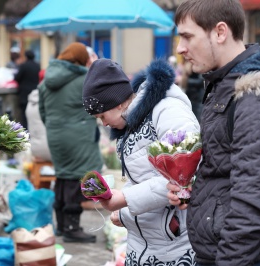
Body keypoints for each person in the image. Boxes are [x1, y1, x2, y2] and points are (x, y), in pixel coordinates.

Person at [166, 1, 260, 265]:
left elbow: (254, 199)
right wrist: (196, 191)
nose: (180, 48)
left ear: (220, 32)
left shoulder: (253, 96)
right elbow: (226, 169)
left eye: (187, 36)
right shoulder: (223, 83)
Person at [82, 58, 200, 265]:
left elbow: (185, 174)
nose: (104, 123)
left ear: (117, 102)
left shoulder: (168, 111)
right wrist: (125, 212)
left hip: (174, 247)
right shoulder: (129, 122)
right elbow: (140, 179)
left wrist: (125, 199)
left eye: (102, 115)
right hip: (143, 244)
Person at [39, 42, 103, 243]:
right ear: (81, 59)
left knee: (62, 176)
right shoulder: (84, 79)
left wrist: (56, 127)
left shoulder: (46, 81)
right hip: (79, 137)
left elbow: (43, 112)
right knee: (77, 177)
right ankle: (72, 228)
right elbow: (97, 105)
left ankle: (60, 225)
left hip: (56, 136)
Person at [14, 50, 41, 129]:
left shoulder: (24, 66)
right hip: (35, 93)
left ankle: (26, 132)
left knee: (24, 115)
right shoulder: (37, 66)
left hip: (24, 94)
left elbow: (17, 77)